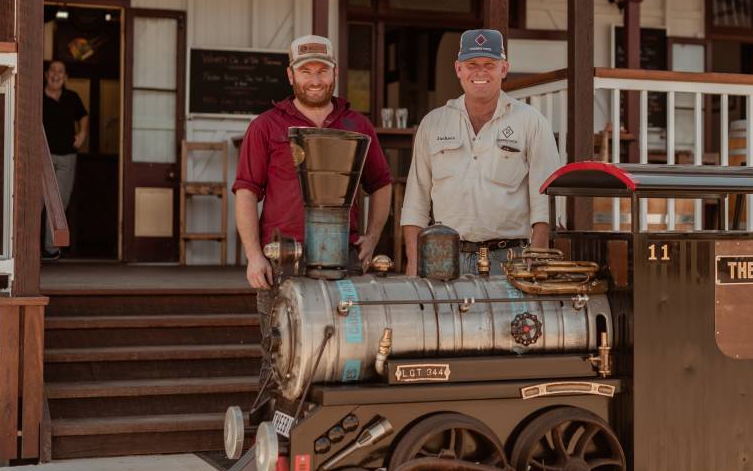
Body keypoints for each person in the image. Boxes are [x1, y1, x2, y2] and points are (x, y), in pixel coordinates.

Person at [233, 35, 393, 333]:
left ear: (335, 72)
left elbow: (382, 183)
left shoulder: (357, 125)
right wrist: (254, 256)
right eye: (306, 71)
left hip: (345, 256)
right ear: (291, 75)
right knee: (280, 353)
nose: (315, 80)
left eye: (322, 71)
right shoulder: (265, 126)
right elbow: (246, 192)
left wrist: (371, 238)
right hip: (283, 258)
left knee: (349, 346)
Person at [400, 28, 563, 276]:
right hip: (443, 257)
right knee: (446, 317)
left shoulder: (531, 122)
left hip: (511, 260)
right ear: (458, 69)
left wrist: (538, 257)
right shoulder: (433, 123)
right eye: (471, 64)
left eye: (489, 64)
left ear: (504, 69)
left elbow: (546, 199)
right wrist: (413, 262)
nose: (480, 72)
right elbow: (416, 201)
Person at [42, 60, 88, 260]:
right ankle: (25, 248)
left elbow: (83, 116)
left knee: (60, 202)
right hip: (42, 156)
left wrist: (83, 133)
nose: (56, 74)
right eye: (53, 70)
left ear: (66, 77)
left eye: (61, 71)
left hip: (67, 157)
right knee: (36, 202)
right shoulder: (38, 96)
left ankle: (51, 250)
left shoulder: (72, 97)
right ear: (46, 75)